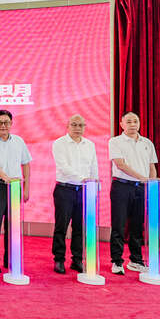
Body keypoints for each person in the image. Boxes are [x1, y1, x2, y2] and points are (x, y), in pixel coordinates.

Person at [108, 111, 158, 275]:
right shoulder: (115, 142)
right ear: (121, 124)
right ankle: (117, 261)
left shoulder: (147, 143)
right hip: (121, 187)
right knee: (119, 225)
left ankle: (136, 260)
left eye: (135, 121)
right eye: (128, 121)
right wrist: (141, 177)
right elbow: (120, 164)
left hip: (141, 188)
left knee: (137, 226)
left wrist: (151, 183)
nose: (132, 124)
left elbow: (151, 166)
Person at [0, 109, 31, 273]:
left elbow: (26, 163)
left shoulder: (19, 141)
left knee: (13, 225)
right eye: (0, 123)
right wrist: (5, 178)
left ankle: (10, 258)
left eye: (6, 122)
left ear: (11, 124)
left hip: (15, 187)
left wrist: (26, 187)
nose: (3, 125)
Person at [51, 114, 98, 274]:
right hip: (65, 189)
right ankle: (59, 259)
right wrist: (82, 178)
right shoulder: (59, 143)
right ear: (67, 126)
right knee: (61, 226)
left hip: (84, 191)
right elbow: (63, 167)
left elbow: (94, 167)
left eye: (81, 125)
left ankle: (77, 260)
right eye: (74, 125)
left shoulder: (90, 145)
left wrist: (94, 188)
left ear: (84, 127)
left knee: (80, 227)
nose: (78, 128)